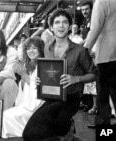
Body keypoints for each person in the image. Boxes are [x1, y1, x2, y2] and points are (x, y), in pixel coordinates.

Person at [23, 9, 97, 141]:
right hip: (52, 97)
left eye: (64, 22)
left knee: (57, 126)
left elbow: (94, 74)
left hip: (71, 98)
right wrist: (41, 80)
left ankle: (67, 131)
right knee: (29, 134)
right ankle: (69, 136)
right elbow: (47, 71)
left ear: (69, 26)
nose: (61, 26)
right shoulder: (47, 48)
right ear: (51, 27)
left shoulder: (80, 50)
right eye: (57, 22)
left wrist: (76, 79)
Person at [2, 37, 45, 138]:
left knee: (7, 116)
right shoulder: (29, 65)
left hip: (37, 107)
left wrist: (23, 75)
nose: (31, 51)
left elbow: (40, 88)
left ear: (40, 50)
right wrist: (22, 77)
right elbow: (24, 88)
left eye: (34, 48)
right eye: (28, 48)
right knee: (6, 114)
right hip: (26, 104)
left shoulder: (43, 65)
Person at [84, 0, 116, 126]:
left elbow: (96, 27)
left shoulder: (101, 2)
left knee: (103, 94)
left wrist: (85, 48)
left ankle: (104, 130)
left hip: (106, 53)